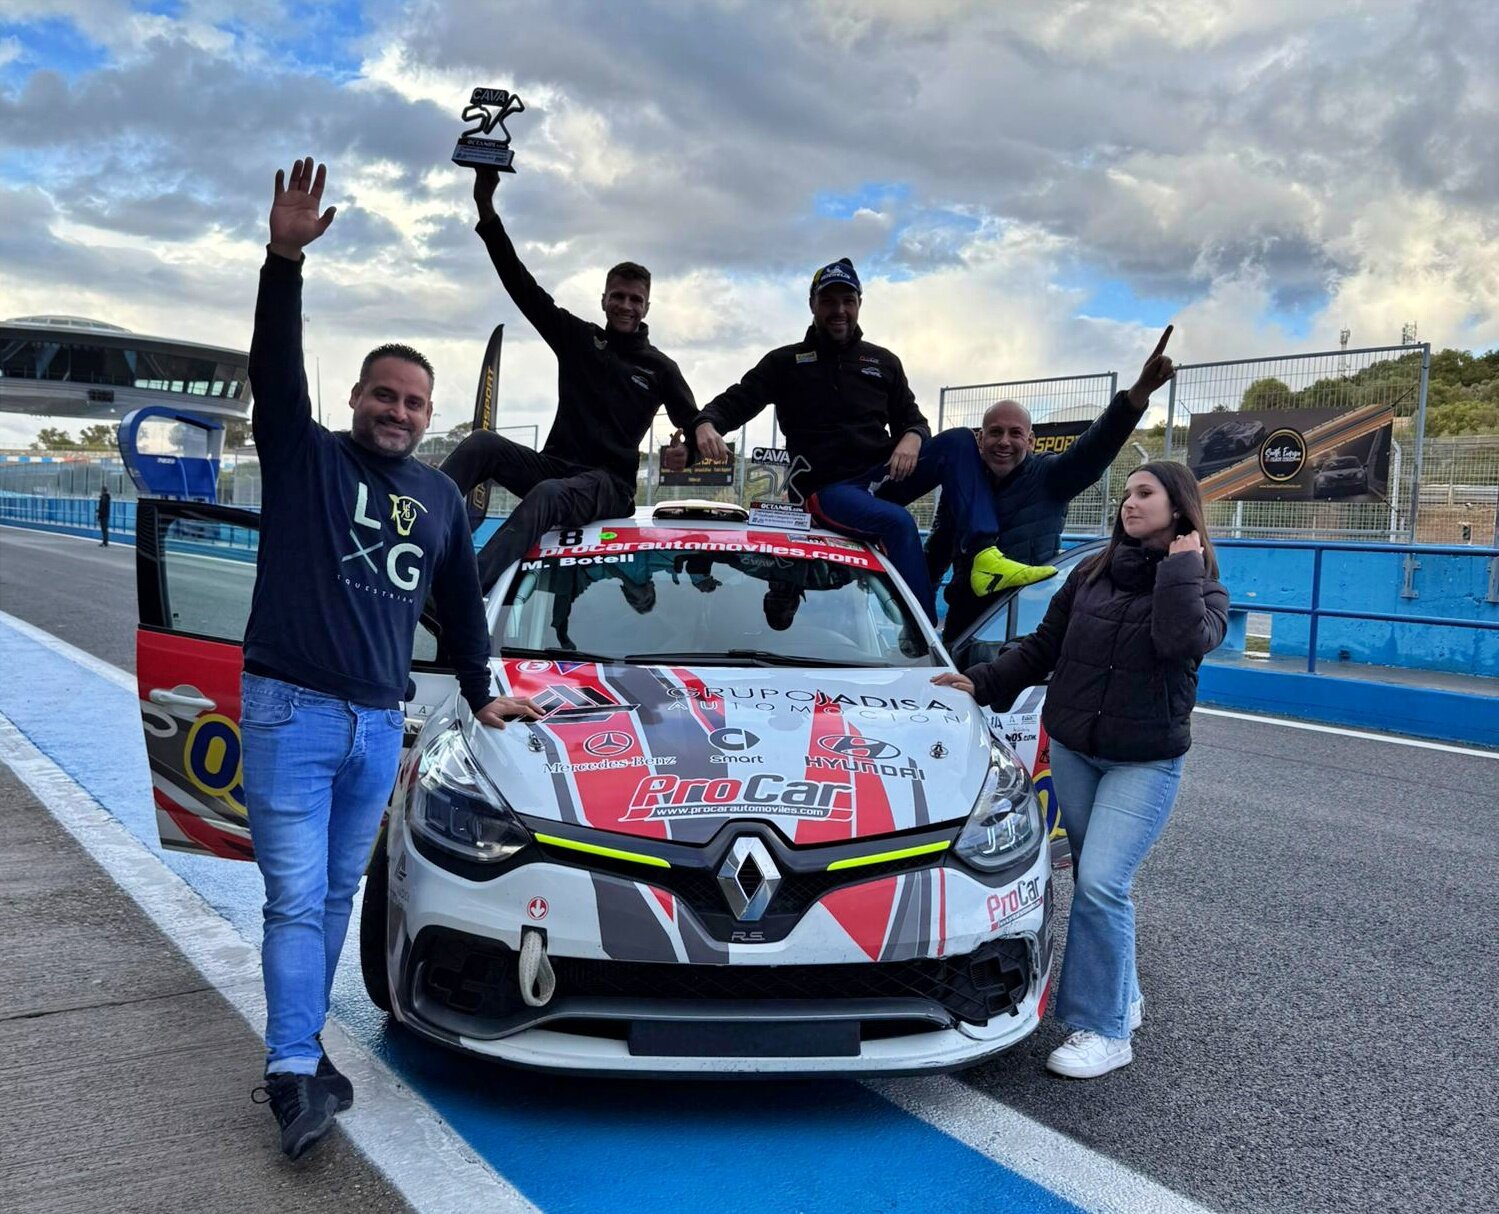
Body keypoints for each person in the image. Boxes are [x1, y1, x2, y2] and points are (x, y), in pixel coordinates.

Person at [242, 158, 541, 1159]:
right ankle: (291, 1068)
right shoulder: (304, 451)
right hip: (289, 709)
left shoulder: (442, 498)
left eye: (415, 401)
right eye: (382, 393)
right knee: (292, 894)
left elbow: (459, 603)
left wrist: (484, 691)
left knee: (332, 894)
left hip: (379, 723)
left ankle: (301, 1042)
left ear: (429, 413)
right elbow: (273, 371)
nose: (398, 411)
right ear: (358, 396)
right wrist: (283, 260)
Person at [933, 461, 1226, 1079]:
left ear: (1179, 508)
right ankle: (1124, 996)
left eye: (1146, 493)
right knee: (1097, 886)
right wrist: (979, 682)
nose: (1130, 503)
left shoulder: (1200, 588)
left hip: (1144, 763)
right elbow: (1043, 647)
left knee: (1099, 884)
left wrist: (1180, 565)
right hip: (1075, 751)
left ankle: (1104, 1029)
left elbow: (1179, 641)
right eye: (1126, 494)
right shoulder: (1091, 574)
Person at [441, 167, 701, 590]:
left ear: (647, 308)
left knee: (549, 494)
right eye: (617, 296)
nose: (625, 305)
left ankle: (464, 593)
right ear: (603, 299)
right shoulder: (579, 339)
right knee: (480, 444)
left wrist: (685, 453)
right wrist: (487, 210)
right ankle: (410, 538)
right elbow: (523, 287)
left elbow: (696, 427)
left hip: (610, 486)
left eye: (636, 299)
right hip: (557, 468)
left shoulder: (660, 368)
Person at [883, 327, 1177, 641]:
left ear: (1031, 441)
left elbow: (1096, 446)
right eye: (995, 432)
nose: (1004, 442)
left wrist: (1138, 393)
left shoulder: (1051, 477)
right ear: (980, 440)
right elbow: (937, 553)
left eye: (1015, 433)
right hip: (965, 624)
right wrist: (913, 615)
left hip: (1026, 626)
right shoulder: (961, 487)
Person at [689, 258, 941, 618]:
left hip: (883, 481)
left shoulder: (884, 362)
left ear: (859, 304)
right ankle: (924, 628)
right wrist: (705, 424)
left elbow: (913, 418)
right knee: (899, 522)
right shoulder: (784, 362)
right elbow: (736, 401)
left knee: (961, 443)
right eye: (828, 301)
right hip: (829, 494)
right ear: (812, 305)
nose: (839, 310)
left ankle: (973, 556)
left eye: (847, 300)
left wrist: (914, 434)